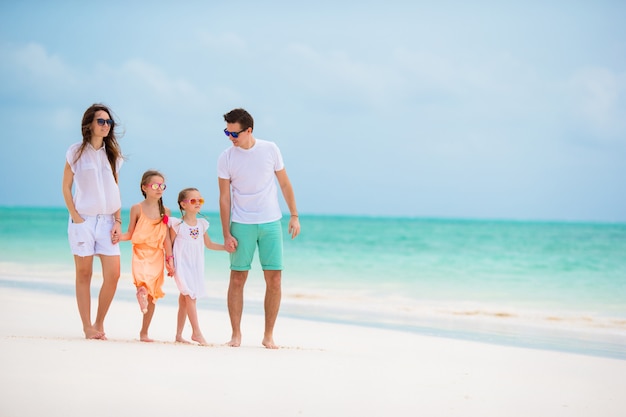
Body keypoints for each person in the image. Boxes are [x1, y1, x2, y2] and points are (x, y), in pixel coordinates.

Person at [218, 108, 301, 349]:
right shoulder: (226, 157)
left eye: (234, 133)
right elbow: (224, 198)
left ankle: (268, 336)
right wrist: (226, 233)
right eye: (227, 132)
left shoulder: (270, 149)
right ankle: (236, 335)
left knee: (274, 279)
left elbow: (284, 184)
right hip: (241, 224)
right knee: (237, 278)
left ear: (249, 130)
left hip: (270, 222)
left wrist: (294, 215)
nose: (230, 137)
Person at [62, 103, 124, 340]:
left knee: (114, 274)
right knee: (84, 274)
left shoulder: (113, 155)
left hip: (108, 221)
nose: (105, 125)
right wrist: (76, 217)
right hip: (83, 221)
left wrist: (118, 220)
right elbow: (66, 187)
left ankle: (99, 322)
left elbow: (115, 188)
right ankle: (88, 327)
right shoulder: (75, 151)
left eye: (108, 122)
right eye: (101, 121)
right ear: (89, 124)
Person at [120, 170, 175, 342]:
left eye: (162, 186)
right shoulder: (137, 208)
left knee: (152, 295)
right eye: (155, 186)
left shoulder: (165, 211)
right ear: (145, 187)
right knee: (142, 283)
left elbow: (166, 237)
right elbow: (130, 232)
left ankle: (144, 332)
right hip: (140, 252)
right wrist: (117, 237)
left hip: (157, 255)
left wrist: (170, 259)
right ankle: (140, 292)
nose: (159, 189)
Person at [169, 188, 226, 346]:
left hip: (196, 266)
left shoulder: (202, 224)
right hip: (181, 265)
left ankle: (179, 335)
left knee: (184, 299)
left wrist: (226, 248)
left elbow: (209, 244)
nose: (197, 203)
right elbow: (168, 245)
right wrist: (169, 263)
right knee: (190, 296)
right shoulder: (178, 224)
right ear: (183, 204)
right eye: (193, 200)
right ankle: (196, 333)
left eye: (199, 200)